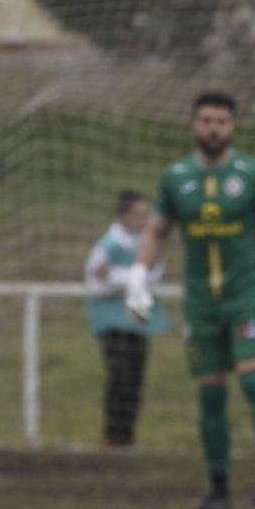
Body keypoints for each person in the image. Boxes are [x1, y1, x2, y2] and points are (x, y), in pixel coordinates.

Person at [119, 90, 255, 509]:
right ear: (194, 124)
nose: (213, 128)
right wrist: (137, 279)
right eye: (206, 120)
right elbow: (156, 232)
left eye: (221, 121)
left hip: (247, 299)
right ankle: (219, 488)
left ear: (233, 126)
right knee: (210, 395)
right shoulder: (175, 178)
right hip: (201, 304)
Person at [83, 189, 168, 450]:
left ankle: (128, 436)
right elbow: (97, 279)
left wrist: (120, 276)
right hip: (111, 322)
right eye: (137, 214)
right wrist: (133, 278)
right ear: (122, 216)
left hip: (139, 320)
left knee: (135, 380)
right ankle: (113, 435)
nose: (143, 220)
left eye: (146, 214)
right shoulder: (109, 244)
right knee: (118, 377)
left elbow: (153, 276)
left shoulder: (149, 243)